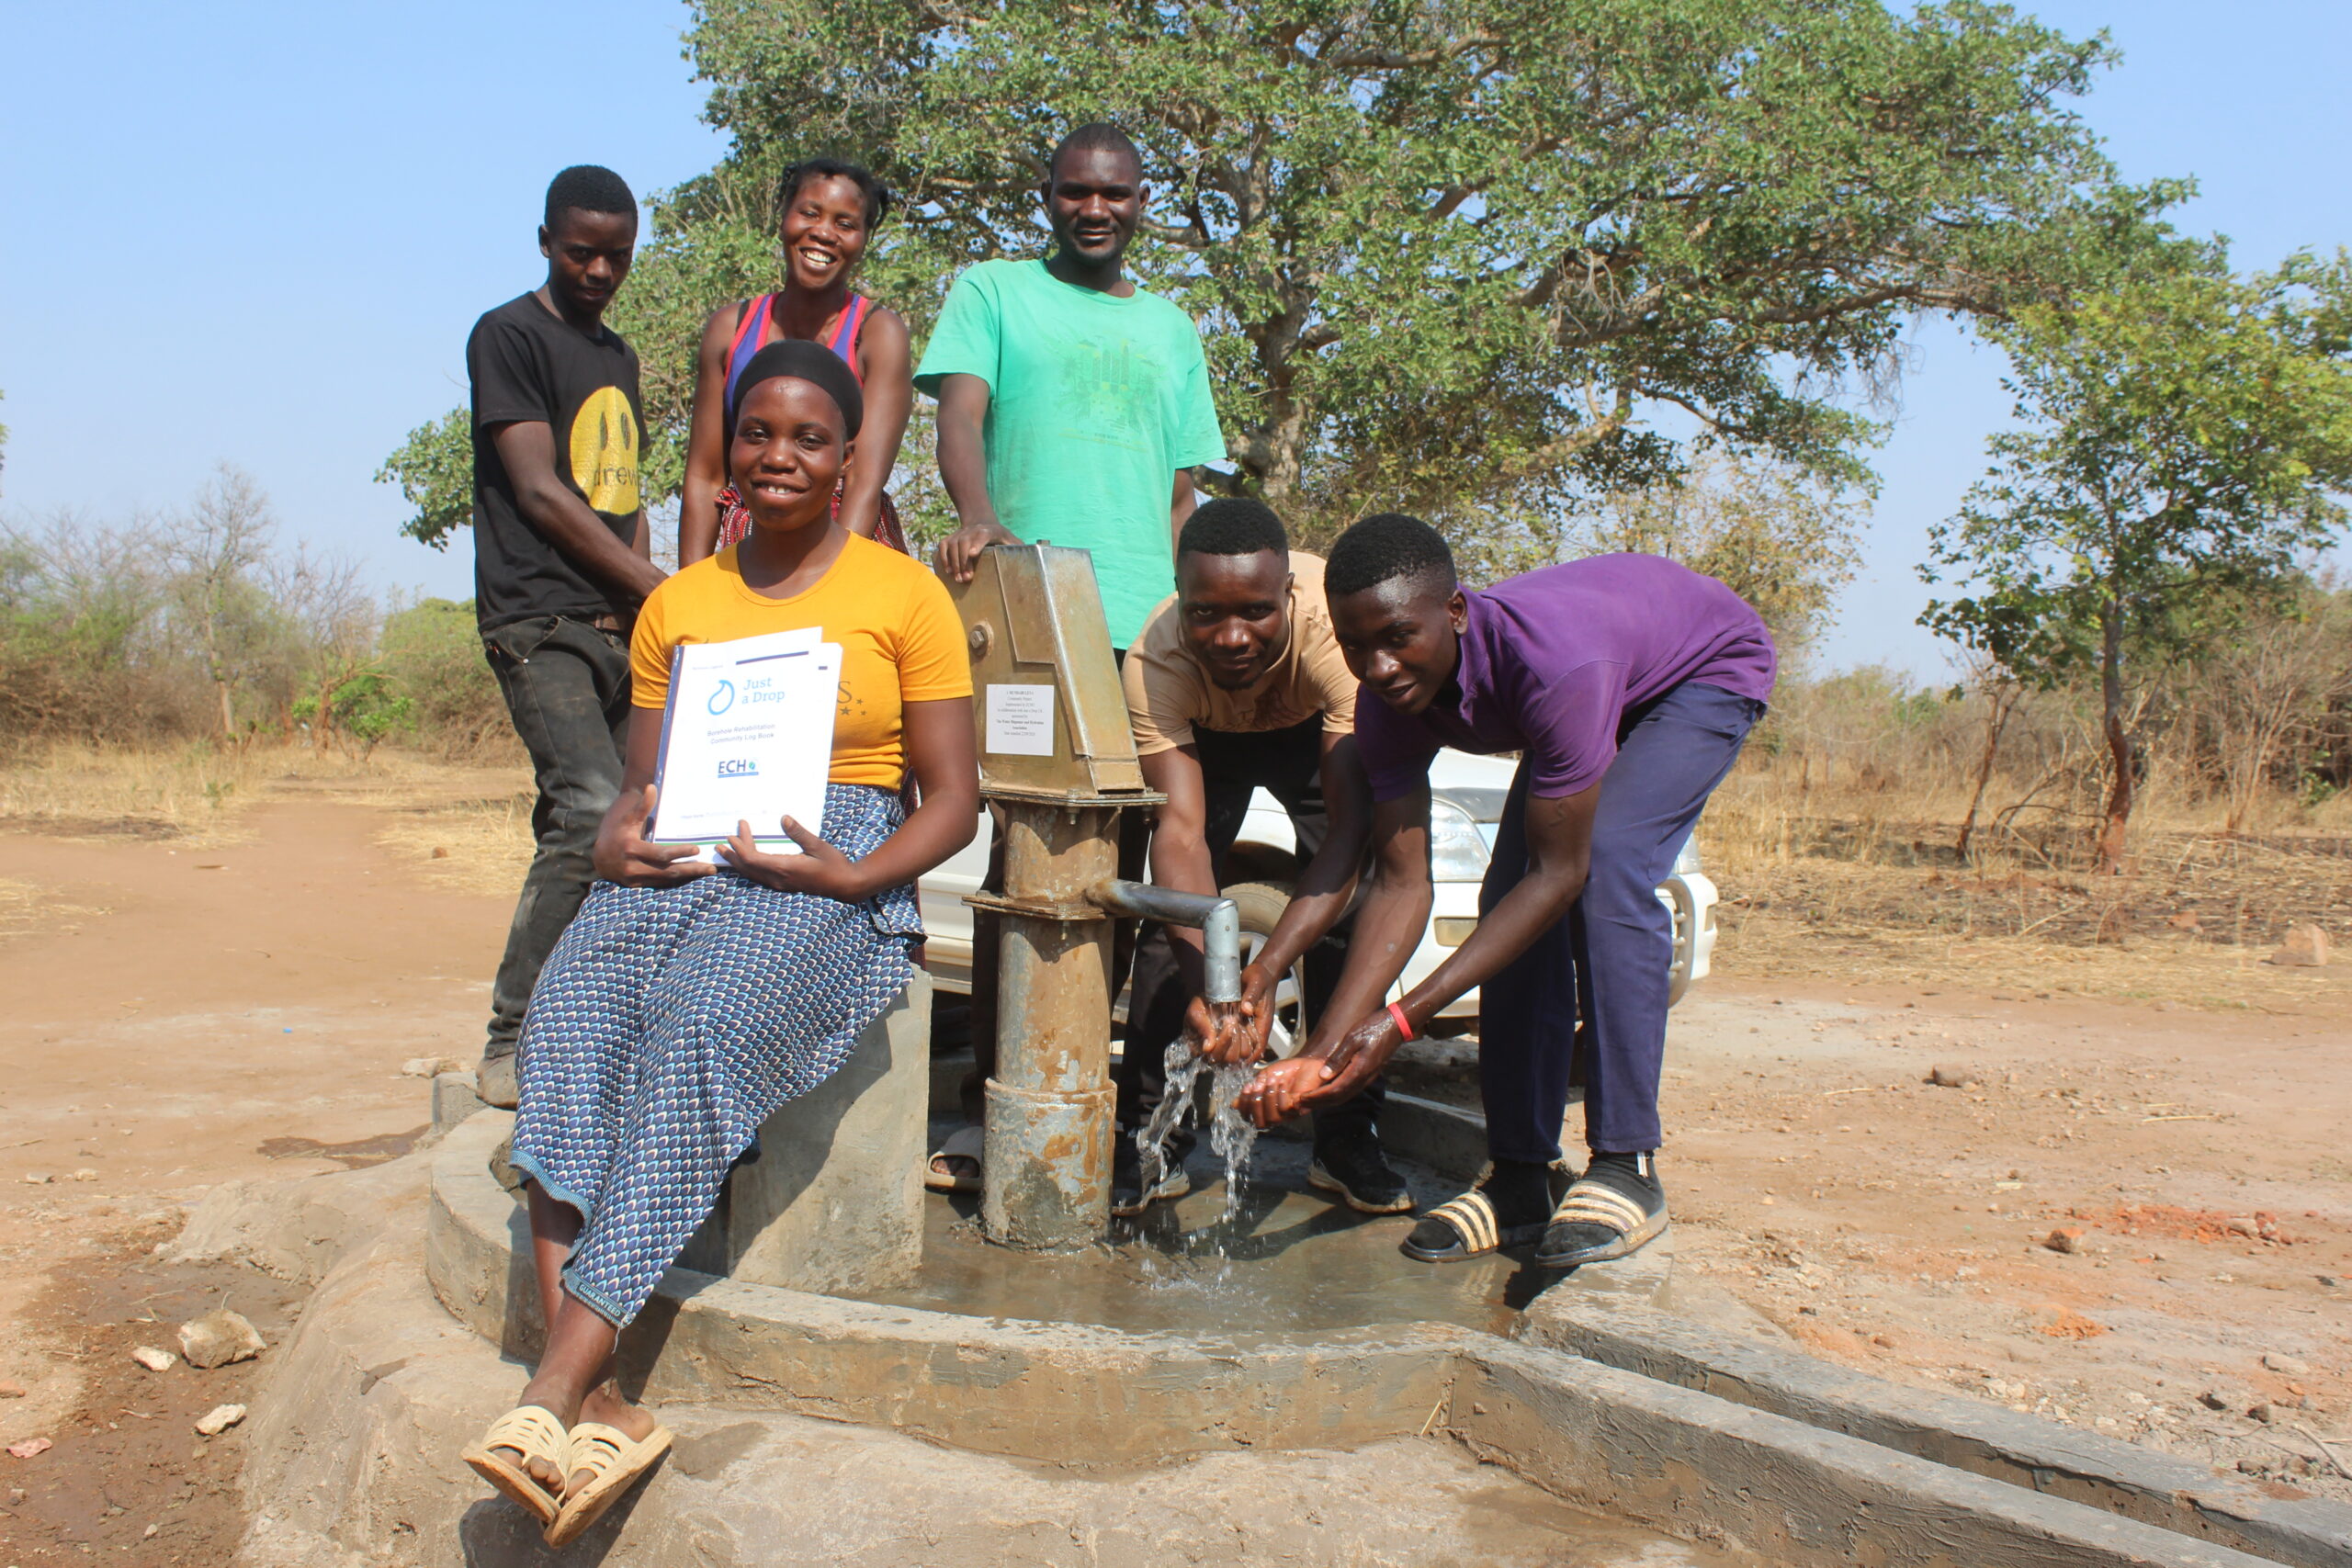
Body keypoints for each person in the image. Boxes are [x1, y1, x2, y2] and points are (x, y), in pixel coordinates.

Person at [460, 339, 978, 1547]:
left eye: (809, 437)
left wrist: (859, 871)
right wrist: (607, 848)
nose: (779, 456)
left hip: (831, 837)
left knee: (705, 1021)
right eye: (757, 433)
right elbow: (641, 787)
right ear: (726, 450)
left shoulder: (905, 596)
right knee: (575, 1010)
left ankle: (549, 1382)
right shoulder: (679, 601)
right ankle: (595, 1399)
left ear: (850, 459)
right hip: (691, 837)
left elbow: (956, 796)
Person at [1232, 514, 1774, 1272]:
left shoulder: (1550, 665)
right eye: (1357, 646)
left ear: (1454, 612)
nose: (1379, 667)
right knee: (1504, 903)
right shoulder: (1387, 704)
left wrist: (1398, 1024)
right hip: (1607, 676)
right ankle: (1520, 1176)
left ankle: (1627, 1163)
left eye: (1396, 637)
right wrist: (1323, 1053)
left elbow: (1562, 873)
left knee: (1609, 865)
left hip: (1700, 670)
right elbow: (1398, 882)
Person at [914, 120, 1227, 1189]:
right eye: (1076, 193)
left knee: (1141, 873)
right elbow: (960, 416)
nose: (1096, 209)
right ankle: (991, 1110)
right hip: (1036, 609)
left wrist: (1197, 610)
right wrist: (978, 517)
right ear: (1046, 196)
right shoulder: (995, 293)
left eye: (1117, 195)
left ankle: (1131, 1125)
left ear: (1144, 202)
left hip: (1146, 625)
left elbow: (1185, 489)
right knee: (1027, 864)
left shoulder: (1173, 328)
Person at [1114, 497, 1409, 1217]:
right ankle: (1153, 1136)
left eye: (1254, 610)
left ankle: (1345, 1135)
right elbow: (1179, 836)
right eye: (1206, 614)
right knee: (1169, 929)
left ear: (1289, 595)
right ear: (1182, 601)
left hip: (1310, 728)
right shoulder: (1157, 660)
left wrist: (1266, 966)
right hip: (1205, 737)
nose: (1231, 636)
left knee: (1356, 903)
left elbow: (1344, 833)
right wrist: (1214, 990)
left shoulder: (1333, 642)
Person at [468, 165, 663, 1111]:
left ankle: (596, 1025)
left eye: (616, 255)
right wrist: (654, 588)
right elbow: (542, 490)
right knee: (587, 810)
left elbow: (622, 498)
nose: (598, 269)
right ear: (544, 240)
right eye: (581, 251)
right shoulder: (508, 335)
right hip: (535, 619)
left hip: (616, 625)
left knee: (653, 815)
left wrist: (651, 609)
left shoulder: (617, 357)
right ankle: (511, 1036)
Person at [680, 157, 914, 561]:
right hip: (749, 543)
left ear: (864, 238)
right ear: (783, 216)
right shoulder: (729, 330)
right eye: (809, 213)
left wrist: (826, 587)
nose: (823, 232)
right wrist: (690, 594)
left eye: (845, 223)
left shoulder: (877, 334)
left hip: (846, 543)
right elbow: (705, 478)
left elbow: (862, 482)